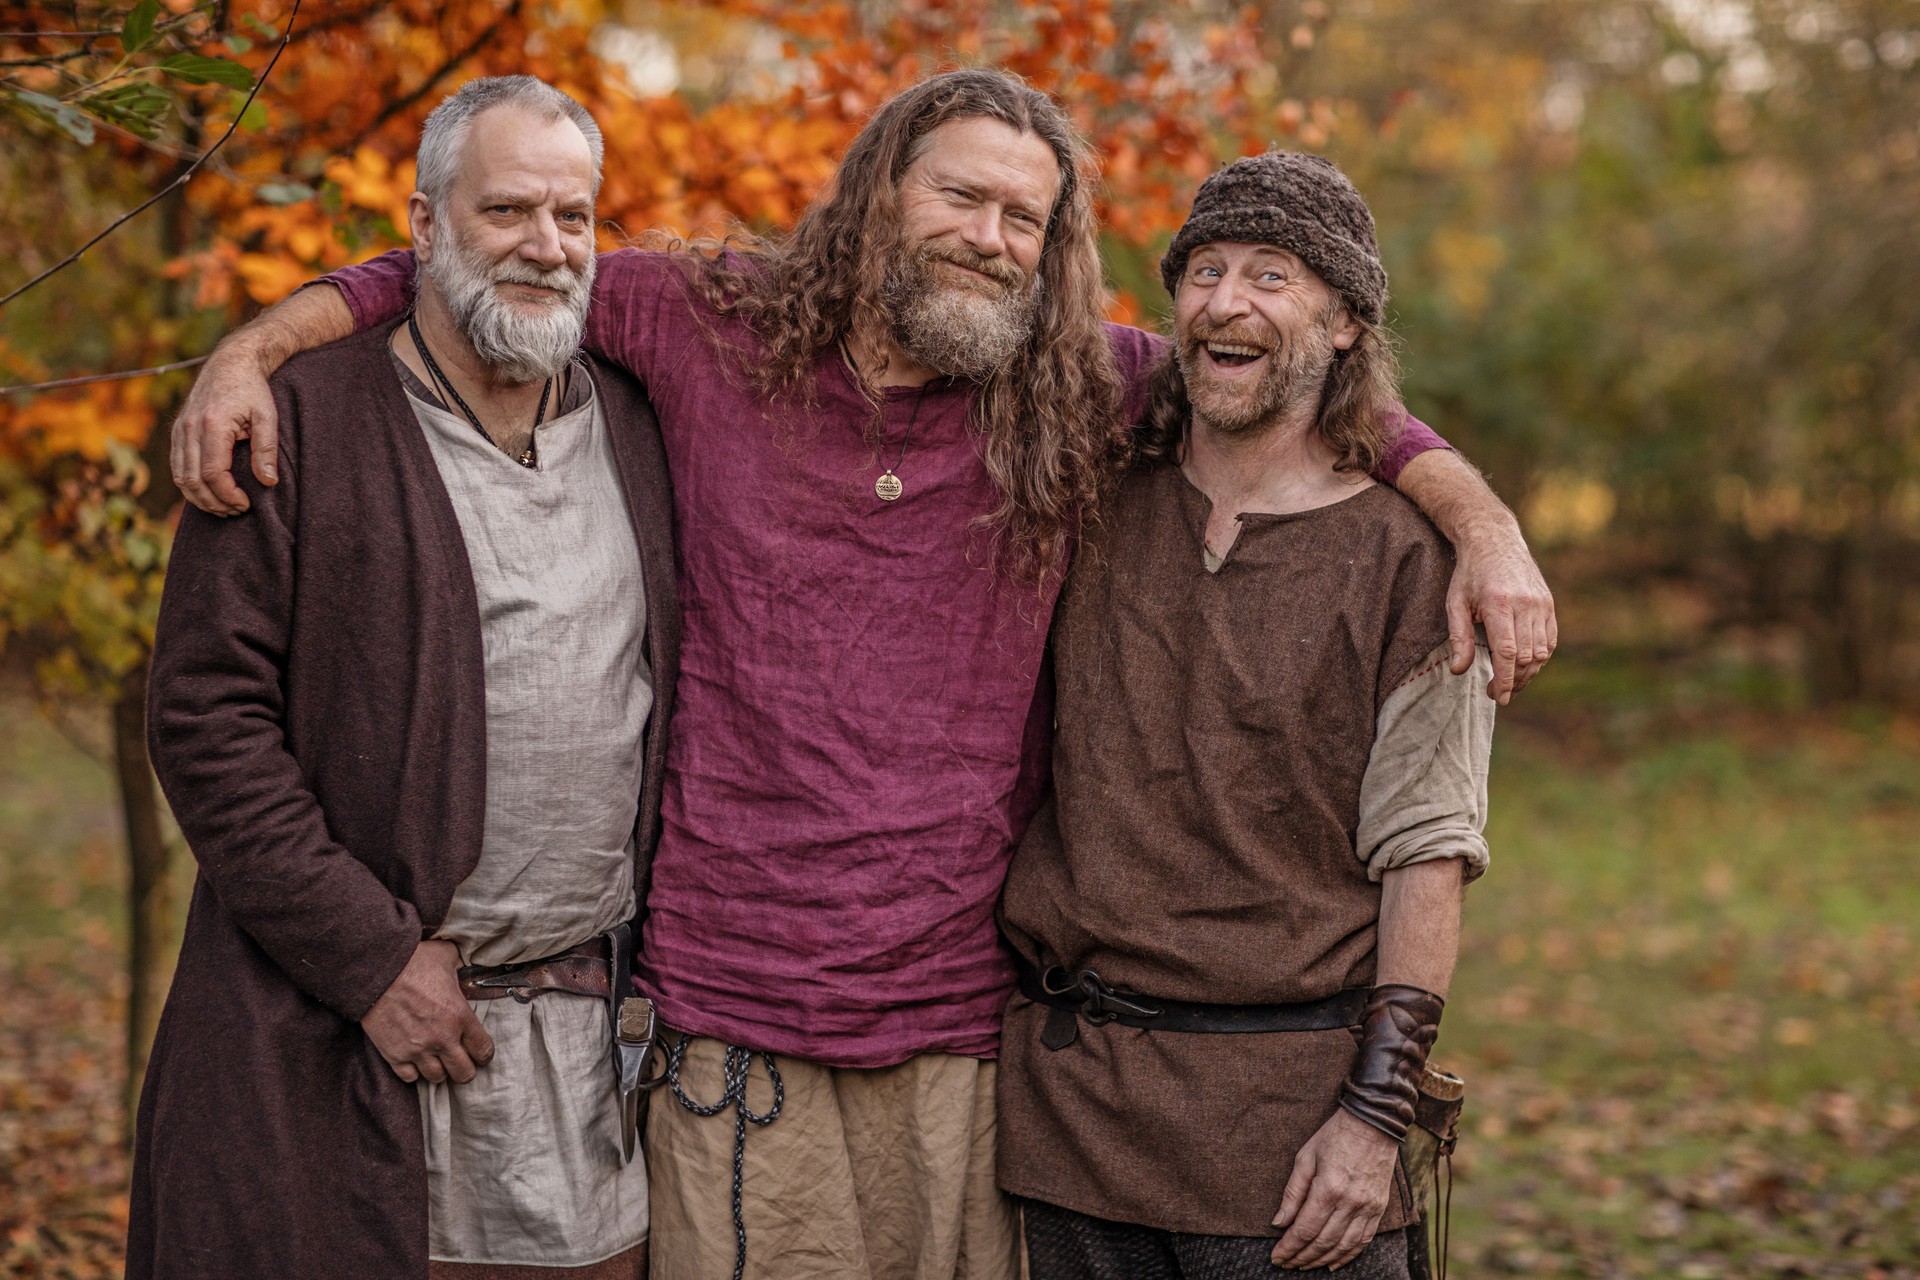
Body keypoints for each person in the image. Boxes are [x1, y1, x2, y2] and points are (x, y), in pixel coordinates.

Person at [165, 70, 1548, 1280]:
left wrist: (1481, 527)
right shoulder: (713, 323)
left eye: (1028, 219)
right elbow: (500, 265)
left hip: (966, 1045)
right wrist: (259, 346)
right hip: (729, 1035)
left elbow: (1305, 375)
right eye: (964, 197)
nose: (993, 240)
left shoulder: (1074, 383)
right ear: (881, 189)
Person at [131, 77, 678, 1280]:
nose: (547, 246)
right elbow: (205, 717)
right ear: (424, 227)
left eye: (575, 217)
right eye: (508, 211)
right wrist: (369, 957)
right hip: (343, 1039)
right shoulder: (299, 422)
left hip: (587, 1052)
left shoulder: (641, 425)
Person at [997, 151, 1493, 1280]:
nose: (1226, 301)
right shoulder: (1090, 499)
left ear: (1346, 325)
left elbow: (1427, 853)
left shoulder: (1413, 562)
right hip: (1070, 1120)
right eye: (1205, 270)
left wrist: (1375, 1115)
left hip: (1293, 1141)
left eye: (1273, 276)